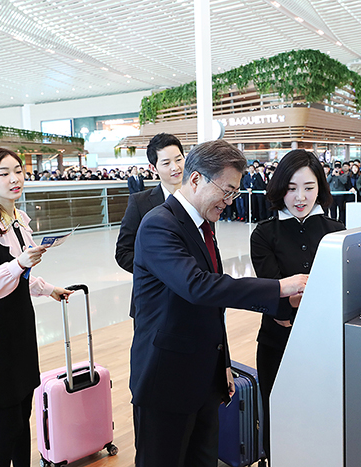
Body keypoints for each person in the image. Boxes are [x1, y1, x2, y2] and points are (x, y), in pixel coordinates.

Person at [130, 140, 308, 467]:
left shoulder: (203, 226)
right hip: (166, 382)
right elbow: (198, 287)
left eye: (235, 193)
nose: (230, 201)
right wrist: (279, 288)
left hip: (203, 379)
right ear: (196, 179)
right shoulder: (159, 224)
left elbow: (213, 305)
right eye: (227, 190)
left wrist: (222, 363)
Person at [0, 147, 72, 467]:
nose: (15, 179)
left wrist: (49, 289)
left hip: (19, 327)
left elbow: (23, 277)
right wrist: (18, 263)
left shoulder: (20, 218)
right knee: (7, 425)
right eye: (4, 173)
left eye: (18, 171)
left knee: (24, 414)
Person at [250, 149, 344, 460]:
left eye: (308, 187)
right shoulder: (264, 233)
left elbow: (341, 293)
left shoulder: (336, 233)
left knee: (322, 418)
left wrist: (294, 299)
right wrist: (292, 301)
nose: (300, 197)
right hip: (278, 345)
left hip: (325, 345)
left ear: (321, 188)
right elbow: (274, 296)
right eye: (291, 188)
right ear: (279, 189)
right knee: (279, 419)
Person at [115, 132, 185, 316]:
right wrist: (159, 271)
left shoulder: (199, 200)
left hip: (191, 298)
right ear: (153, 168)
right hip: (152, 300)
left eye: (179, 159)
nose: (175, 167)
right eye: (166, 163)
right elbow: (123, 252)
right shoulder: (139, 202)